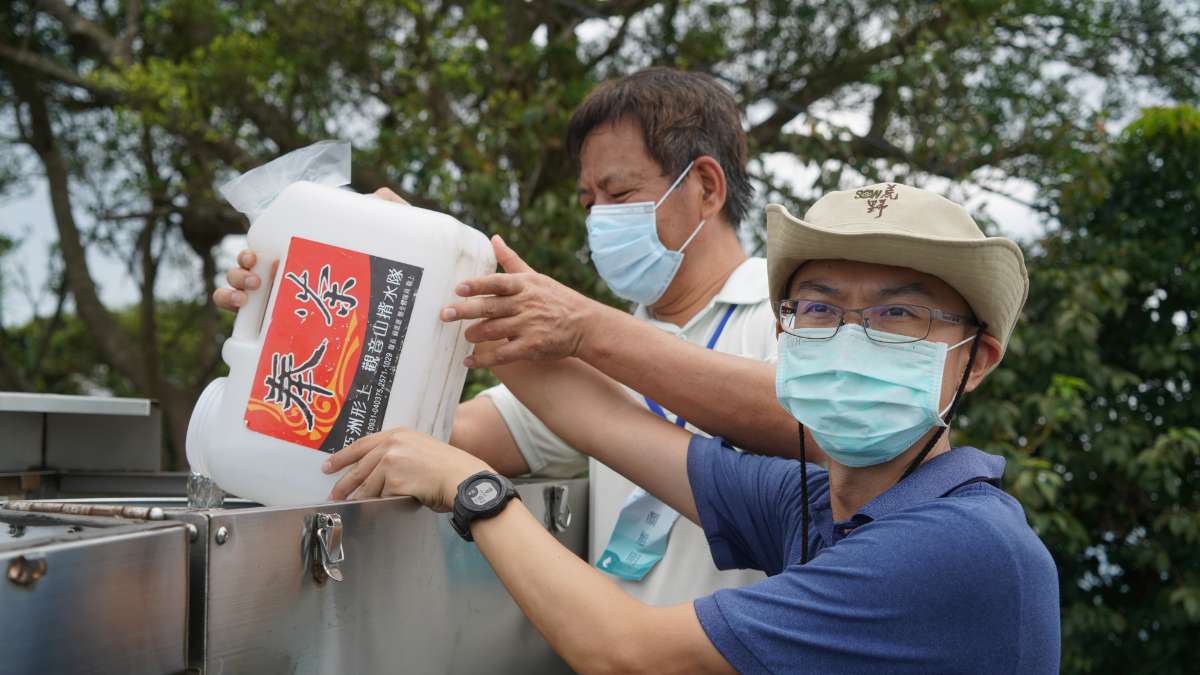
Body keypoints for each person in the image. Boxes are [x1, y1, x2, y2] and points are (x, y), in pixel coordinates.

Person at [321, 183, 1061, 673]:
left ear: (977, 360)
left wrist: (473, 490)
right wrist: (414, 257)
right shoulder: (817, 503)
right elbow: (605, 419)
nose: (849, 337)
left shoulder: (961, 547)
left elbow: (625, 652)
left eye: (898, 313)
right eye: (821, 307)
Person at [215, 68, 824, 605]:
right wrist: (311, 313)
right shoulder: (593, 359)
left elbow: (808, 420)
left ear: (707, 188)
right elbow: (418, 434)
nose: (598, 218)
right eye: (589, 200)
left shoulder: (797, 316)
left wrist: (585, 330)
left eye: (618, 194)